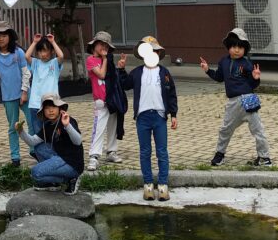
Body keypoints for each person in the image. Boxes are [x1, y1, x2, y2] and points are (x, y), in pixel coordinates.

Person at [117, 35, 178, 202]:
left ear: (159, 54)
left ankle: (163, 185)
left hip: (159, 116)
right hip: (142, 117)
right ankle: (148, 185)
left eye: (155, 52)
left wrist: (173, 114)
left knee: (162, 152)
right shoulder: (137, 72)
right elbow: (125, 85)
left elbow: (171, 94)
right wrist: (121, 70)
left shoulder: (164, 73)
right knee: (145, 152)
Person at [200, 27, 271, 167]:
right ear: (228, 47)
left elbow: (252, 85)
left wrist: (256, 78)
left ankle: (264, 158)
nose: (237, 50)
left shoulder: (247, 64)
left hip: (248, 100)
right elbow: (219, 77)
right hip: (232, 103)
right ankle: (219, 155)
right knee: (225, 129)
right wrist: (207, 70)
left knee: (258, 130)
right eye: (233, 47)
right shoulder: (223, 62)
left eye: (240, 47)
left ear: (245, 49)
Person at [15, 93, 84, 194]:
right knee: (38, 147)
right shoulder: (48, 125)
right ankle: (54, 183)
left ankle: (71, 178)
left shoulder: (67, 120)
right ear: (43, 111)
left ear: (59, 108)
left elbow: (78, 141)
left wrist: (67, 125)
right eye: (47, 108)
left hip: (72, 163)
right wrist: (21, 131)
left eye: (54, 107)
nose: (51, 110)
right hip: (59, 157)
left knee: (36, 173)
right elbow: (32, 141)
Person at [0, 20, 31, 166]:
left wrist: (24, 91)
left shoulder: (19, 53)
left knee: (32, 122)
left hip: (25, 94)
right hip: (8, 97)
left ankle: (35, 149)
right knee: (13, 127)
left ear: (10, 37)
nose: (1, 38)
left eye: (4, 35)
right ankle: (15, 156)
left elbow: (26, 73)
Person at [85, 30, 123, 170]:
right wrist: (105, 59)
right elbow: (101, 74)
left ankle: (111, 151)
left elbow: (114, 79)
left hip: (112, 99)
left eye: (106, 46)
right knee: (99, 128)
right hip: (100, 100)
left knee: (113, 126)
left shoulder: (109, 61)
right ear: (94, 45)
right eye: (101, 44)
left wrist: (120, 67)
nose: (104, 48)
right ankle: (94, 156)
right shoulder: (91, 60)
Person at [24, 32, 64, 134]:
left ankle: (51, 146)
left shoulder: (54, 63)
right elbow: (27, 56)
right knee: (38, 133)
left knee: (52, 132)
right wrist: (34, 42)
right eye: (40, 51)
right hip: (35, 104)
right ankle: (40, 146)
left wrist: (53, 42)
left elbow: (61, 56)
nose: (43, 54)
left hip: (51, 104)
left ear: (51, 51)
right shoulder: (36, 63)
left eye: (45, 50)